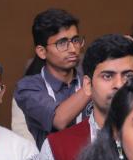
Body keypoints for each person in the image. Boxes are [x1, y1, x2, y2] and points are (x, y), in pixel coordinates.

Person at [39, 35, 133, 160]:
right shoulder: (57, 146)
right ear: (87, 85)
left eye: (128, 76)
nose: (119, 84)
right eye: (108, 76)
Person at [14, 8, 89, 147]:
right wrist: (93, 86)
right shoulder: (27, 87)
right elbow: (59, 120)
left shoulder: (85, 81)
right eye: (62, 43)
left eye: (75, 40)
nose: (73, 49)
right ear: (42, 52)